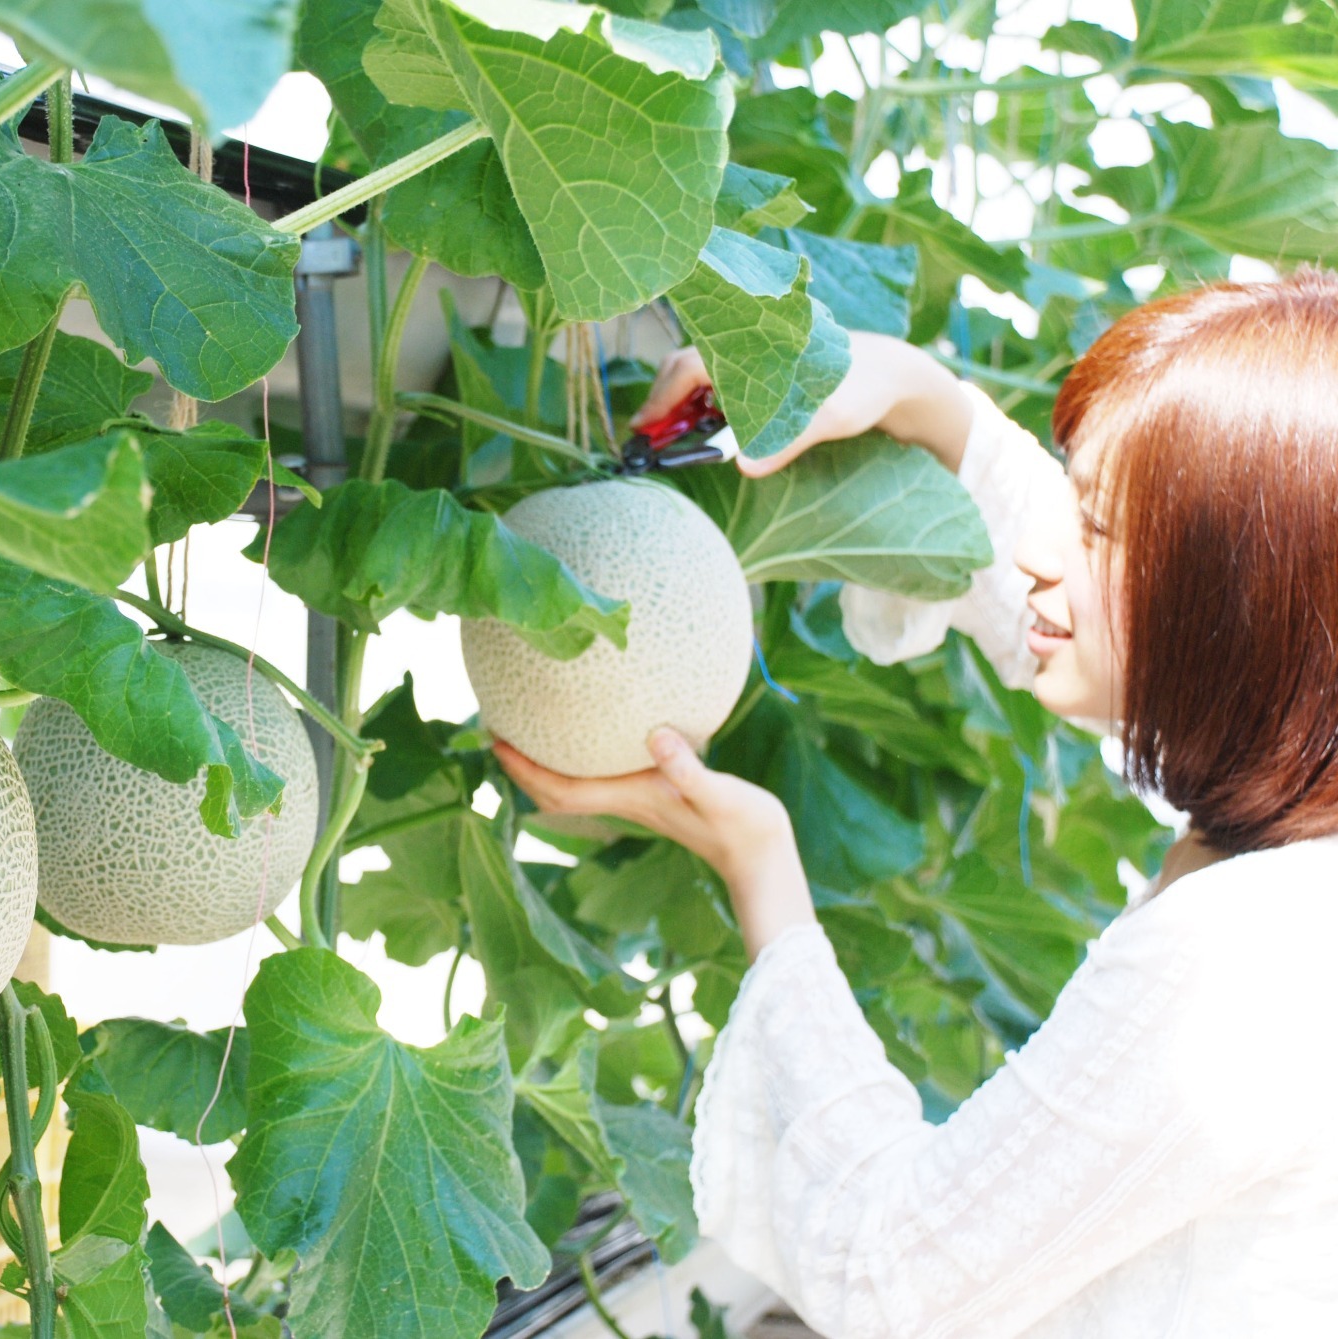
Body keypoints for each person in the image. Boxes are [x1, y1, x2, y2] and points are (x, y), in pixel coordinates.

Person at [494, 271, 1338, 1336]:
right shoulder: (1300, 803)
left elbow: (887, 1276)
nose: (1036, 553)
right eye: (1070, 501)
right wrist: (916, 397)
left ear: (1237, 604)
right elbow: (1099, 615)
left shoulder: (1241, 964)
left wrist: (762, 871)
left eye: (1094, 529)